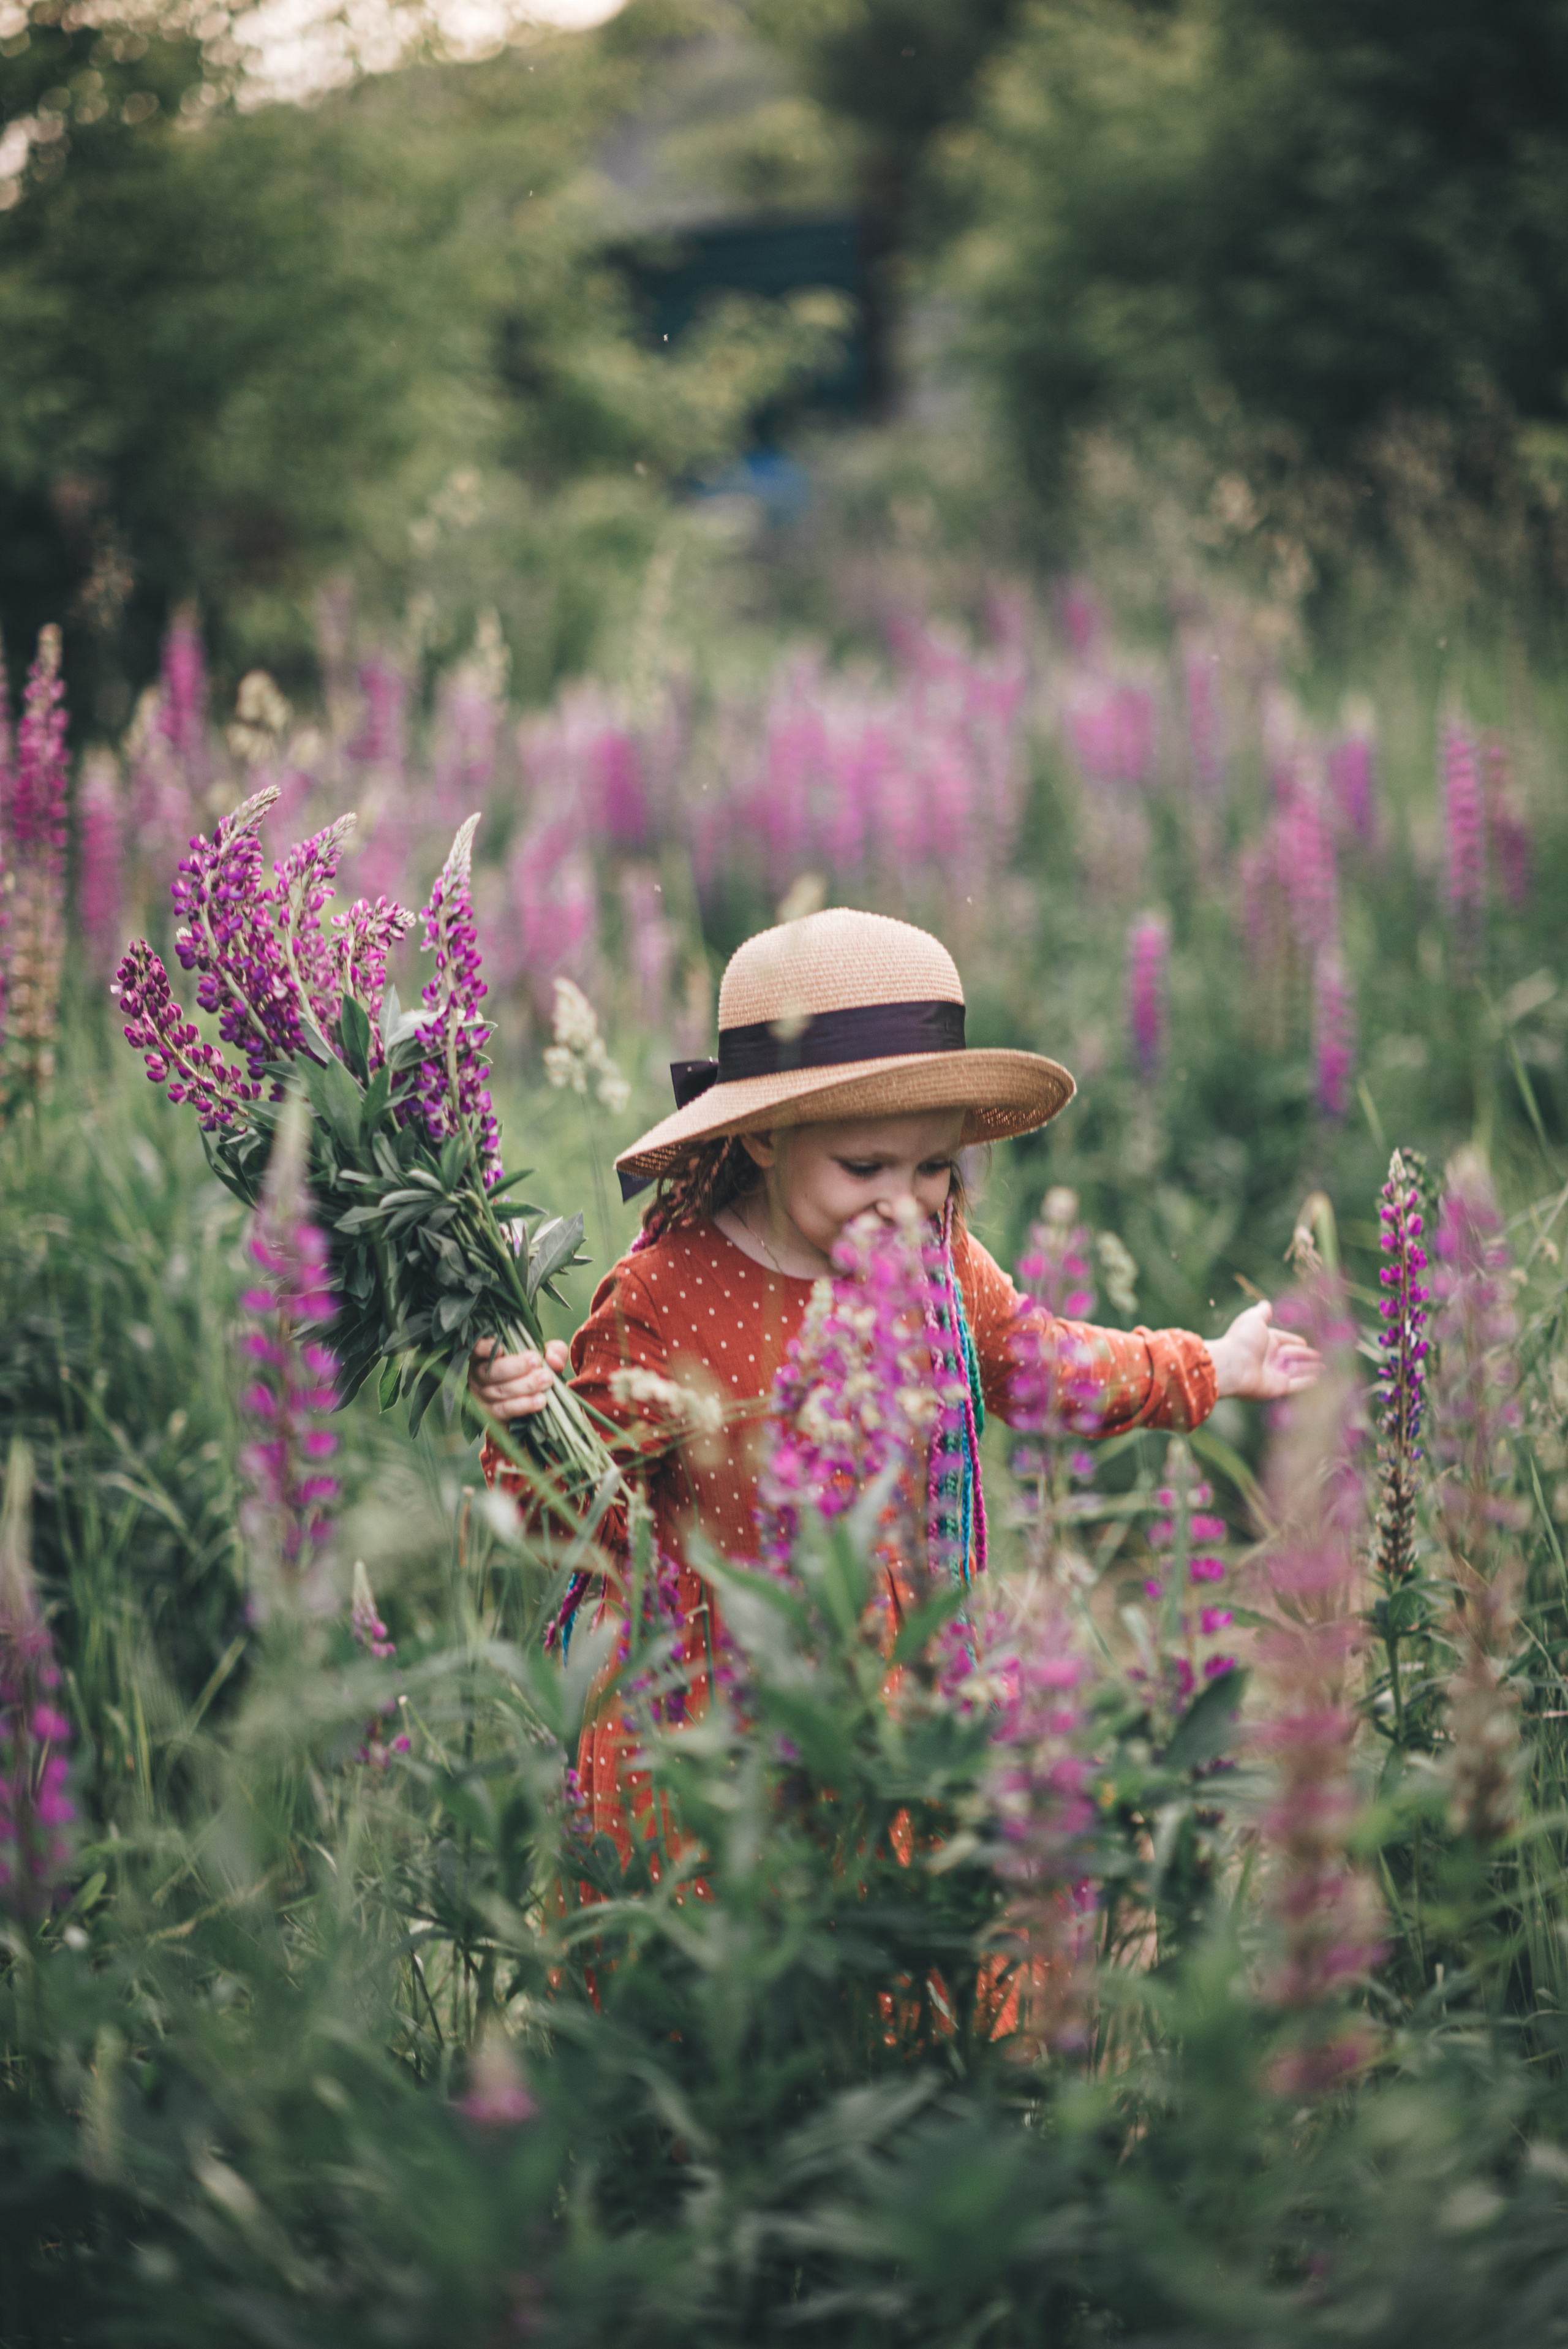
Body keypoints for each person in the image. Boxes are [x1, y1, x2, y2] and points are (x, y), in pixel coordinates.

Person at [473, 907, 1319, 1869]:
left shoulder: (935, 1256)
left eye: (932, 1168)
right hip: (714, 1736)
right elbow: (565, 1515)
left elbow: (1037, 1362)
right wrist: (528, 1417)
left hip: (897, 1701)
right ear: (762, 1138)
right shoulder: (671, 1291)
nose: (901, 1201)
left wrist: (1207, 1362)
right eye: (863, 1166)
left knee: (898, 1983)